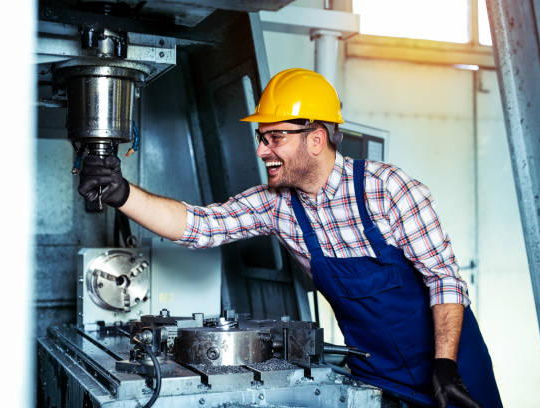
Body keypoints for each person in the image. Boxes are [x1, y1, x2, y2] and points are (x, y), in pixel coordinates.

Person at [78, 68, 502, 408]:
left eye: (274, 137)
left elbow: (444, 280)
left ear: (316, 139)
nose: (262, 150)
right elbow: (200, 226)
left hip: (453, 373)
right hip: (375, 377)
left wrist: (445, 366)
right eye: (262, 138)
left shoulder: (388, 189)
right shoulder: (276, 204)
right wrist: (122, 193)